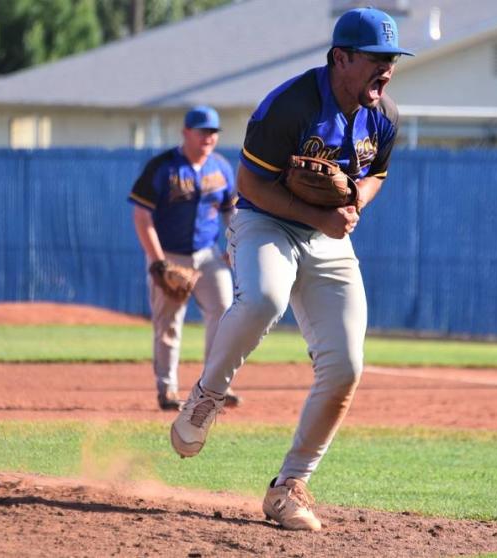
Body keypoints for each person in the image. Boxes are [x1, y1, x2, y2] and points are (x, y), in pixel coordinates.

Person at [169, 8, 412, 530]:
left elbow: (376, 175)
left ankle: (289, 486)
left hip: (329, 234)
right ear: (340, 58)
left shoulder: (385, 113)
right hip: (265, 221)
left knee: (346, 364)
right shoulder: (291, 105)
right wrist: (321, 215)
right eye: (376, 58)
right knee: (263, 299)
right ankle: (208, 394)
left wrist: (353, 202)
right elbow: (250, 186)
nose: (386, 69)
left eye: (391, 59)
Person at [128, 106, 242, 411]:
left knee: (225, 314)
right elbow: (141, 215)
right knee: (168, 323)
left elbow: (231, 211)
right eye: (202, 130)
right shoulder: (163, 167)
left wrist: (234, 246)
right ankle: (167, 391)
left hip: (207, 255)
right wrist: (157, 261)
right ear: (186, 132)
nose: (208, 136)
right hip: (171, 256)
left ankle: (216, 386)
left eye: (213, 131)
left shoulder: (220, 167)